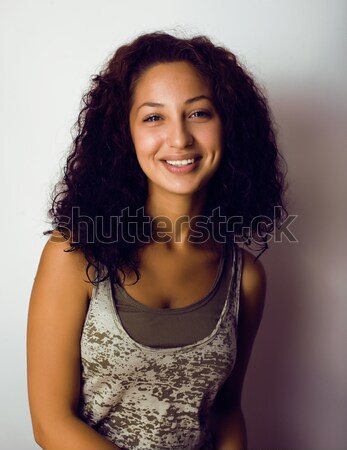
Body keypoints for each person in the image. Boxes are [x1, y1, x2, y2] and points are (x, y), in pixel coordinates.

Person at [27, 31, 286, 450]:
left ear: (229, 127)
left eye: (199, 113)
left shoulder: (246, 277)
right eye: (153, 117)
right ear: (123, 134)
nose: (180, 138)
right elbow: (51, 424)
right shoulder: (74, 254)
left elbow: (224, 412)